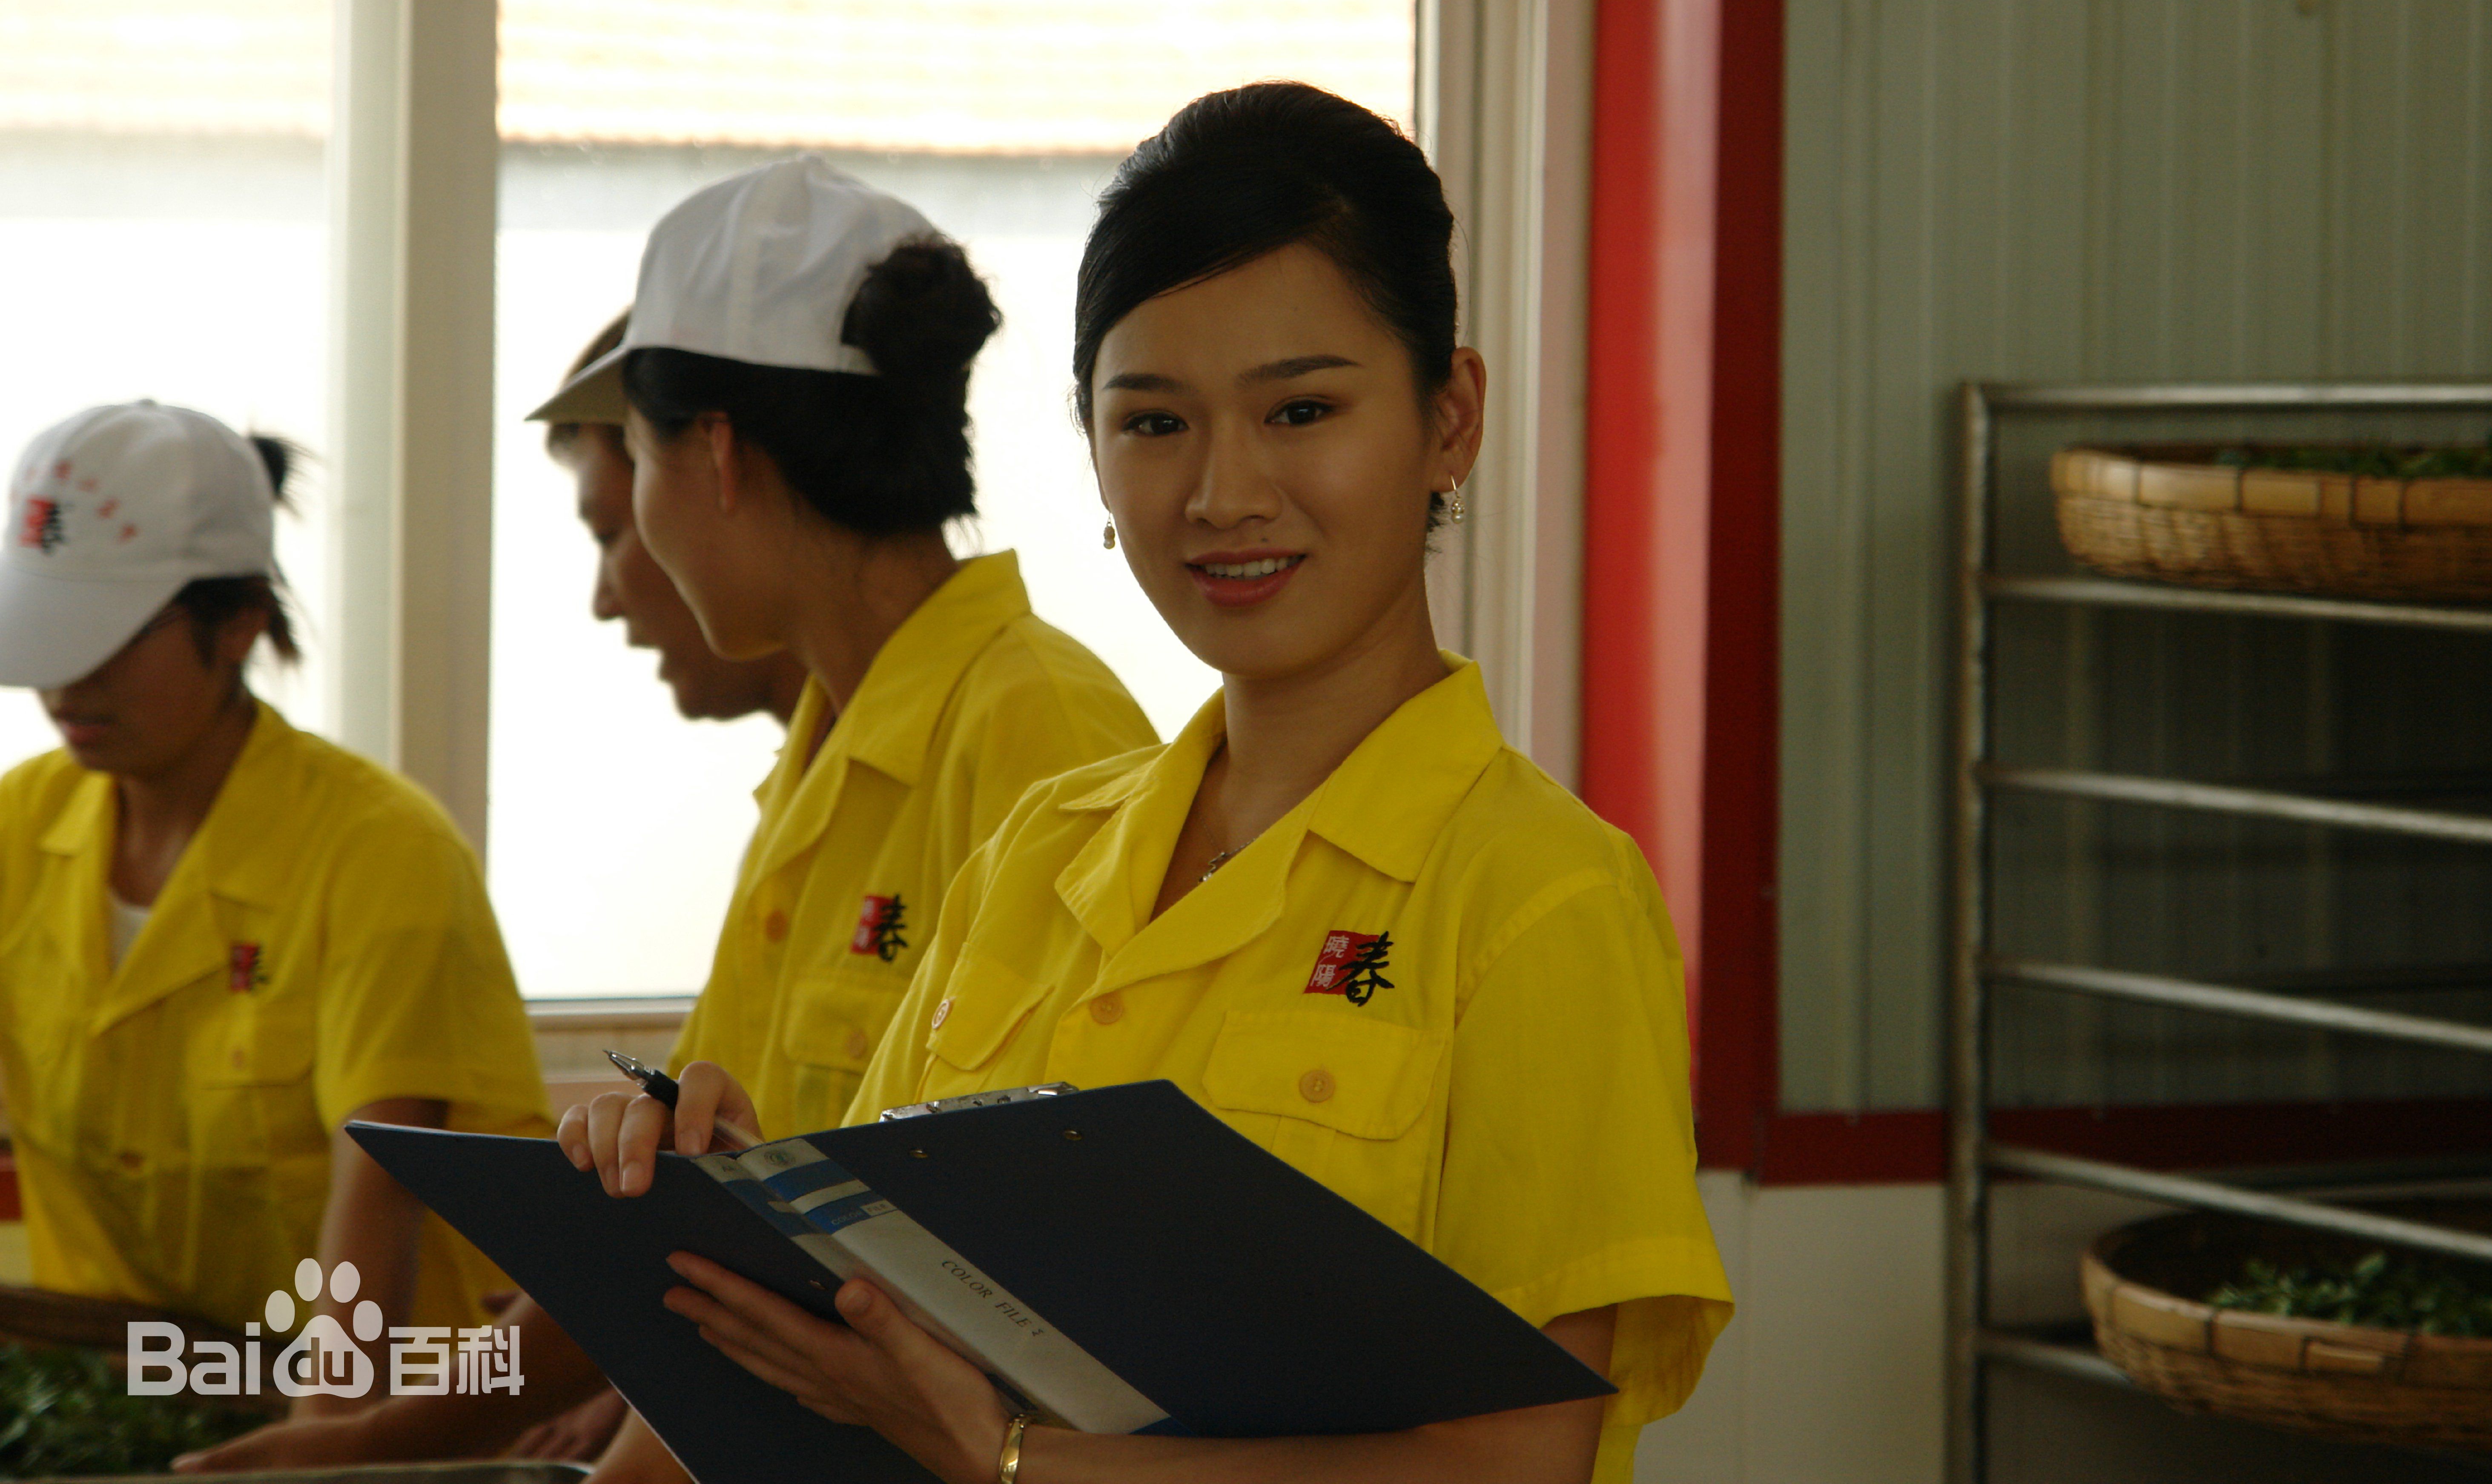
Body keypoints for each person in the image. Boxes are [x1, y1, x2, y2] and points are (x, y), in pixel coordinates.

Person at [564, 85, 1733, 1484]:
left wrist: (1004, 1459)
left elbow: (1514, 1465)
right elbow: (900, 1327)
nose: (1224, 494)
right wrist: (740, 1208)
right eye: (1155, 422)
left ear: (1452, 418)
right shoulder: (1034, 859)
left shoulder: (1540, 901)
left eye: (1301, 409)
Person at [211, 155, 1158, 1475]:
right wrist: (367, 1436)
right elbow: (703, 1243)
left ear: (711, 451)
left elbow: (1012, 1285)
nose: (622, 575)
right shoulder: (830, 760)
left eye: (637, 475)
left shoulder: (1034, 736)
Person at [0, 401, 553, 1398]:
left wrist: (306, 1464)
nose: (67, 683)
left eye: (111, 639)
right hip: (132, 1392)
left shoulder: (380, 853)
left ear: (240, 620)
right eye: (50, 634)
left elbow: (372, 1228)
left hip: (391, 1413)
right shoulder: (19, 828)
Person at [549, 308, 804, 727]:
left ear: (722, 461)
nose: (604, 604)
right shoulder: (822, 769)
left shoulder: (945, 754)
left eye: (608, 534)